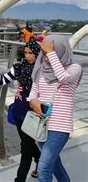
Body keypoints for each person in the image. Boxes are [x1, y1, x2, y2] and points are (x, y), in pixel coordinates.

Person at [0, 37, 42, 181]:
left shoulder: (42, 70)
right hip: (18, 112)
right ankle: (41, 162)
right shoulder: (18, 67)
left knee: (26, 148)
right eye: (26, 52)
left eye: (31, 53)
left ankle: (20, 179)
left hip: (33, 114)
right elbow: (2, 80)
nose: (27, 56)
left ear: (38, 53)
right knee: (27, 143)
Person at [28, 35, 82, 181]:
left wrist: (51, 53)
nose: (45, 57)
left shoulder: (74, 68)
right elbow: (35, 88)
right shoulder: (41, 69)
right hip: (42, 123)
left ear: (61, 51)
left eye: (50, 52)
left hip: (59, 127)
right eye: (43, 53)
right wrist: (33, 101)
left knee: (43, 168)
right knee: (54, 164)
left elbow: (62, 77)